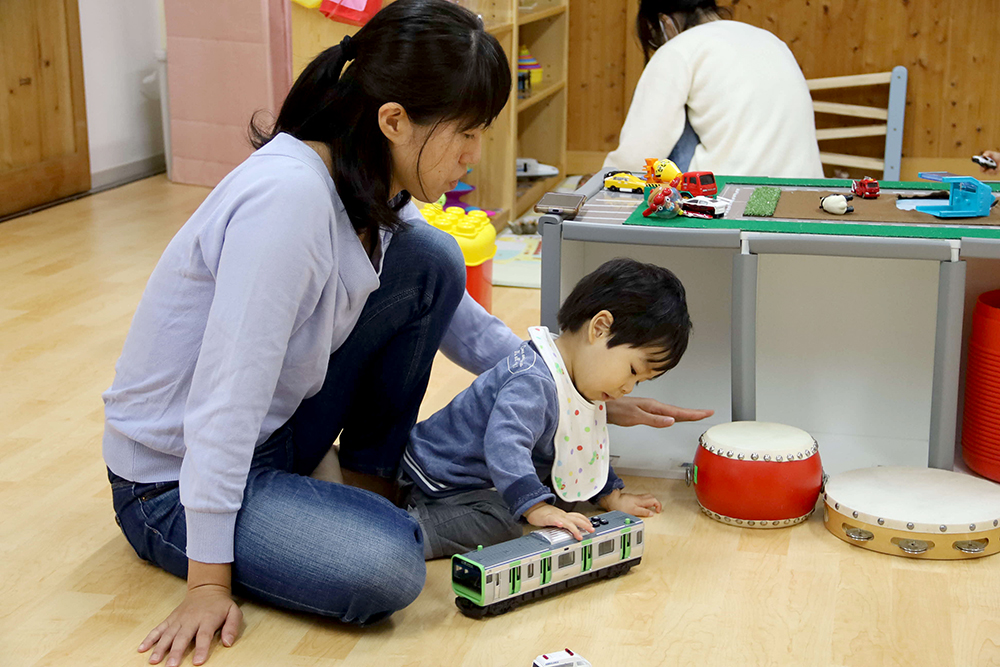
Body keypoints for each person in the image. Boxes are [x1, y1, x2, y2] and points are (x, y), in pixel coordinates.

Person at [100, 2, 712, 665]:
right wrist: (207, 584)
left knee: (434, 258)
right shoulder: (289, 203)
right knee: (390, 566)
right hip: (173, 482)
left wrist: (573, 387)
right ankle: (339, 513)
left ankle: (367, 485)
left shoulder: (366, 186)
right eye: (467, 134)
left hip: (273, 438)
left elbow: (457, 318)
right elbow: (223, 402)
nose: (475, 155)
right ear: (393, 120)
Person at [401, 258, 704, 559]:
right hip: (440, 478)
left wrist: (612, 496)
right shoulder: (534, 379)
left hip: (483, 479)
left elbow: (582, 445)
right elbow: (505, 443)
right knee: (502, 524)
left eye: (640, 382)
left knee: (564, 499)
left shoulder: (580, 380)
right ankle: (407, 529)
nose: (628, 388)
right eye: (634, 370)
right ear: (599, 328)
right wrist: (536, 507)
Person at [604, 0, 823, 178]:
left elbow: (638, 155)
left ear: (665, 23)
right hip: (804, 195)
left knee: (668, 121)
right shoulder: (771, 40)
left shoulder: (678, 50)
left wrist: (602, 183)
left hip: (730, 199)